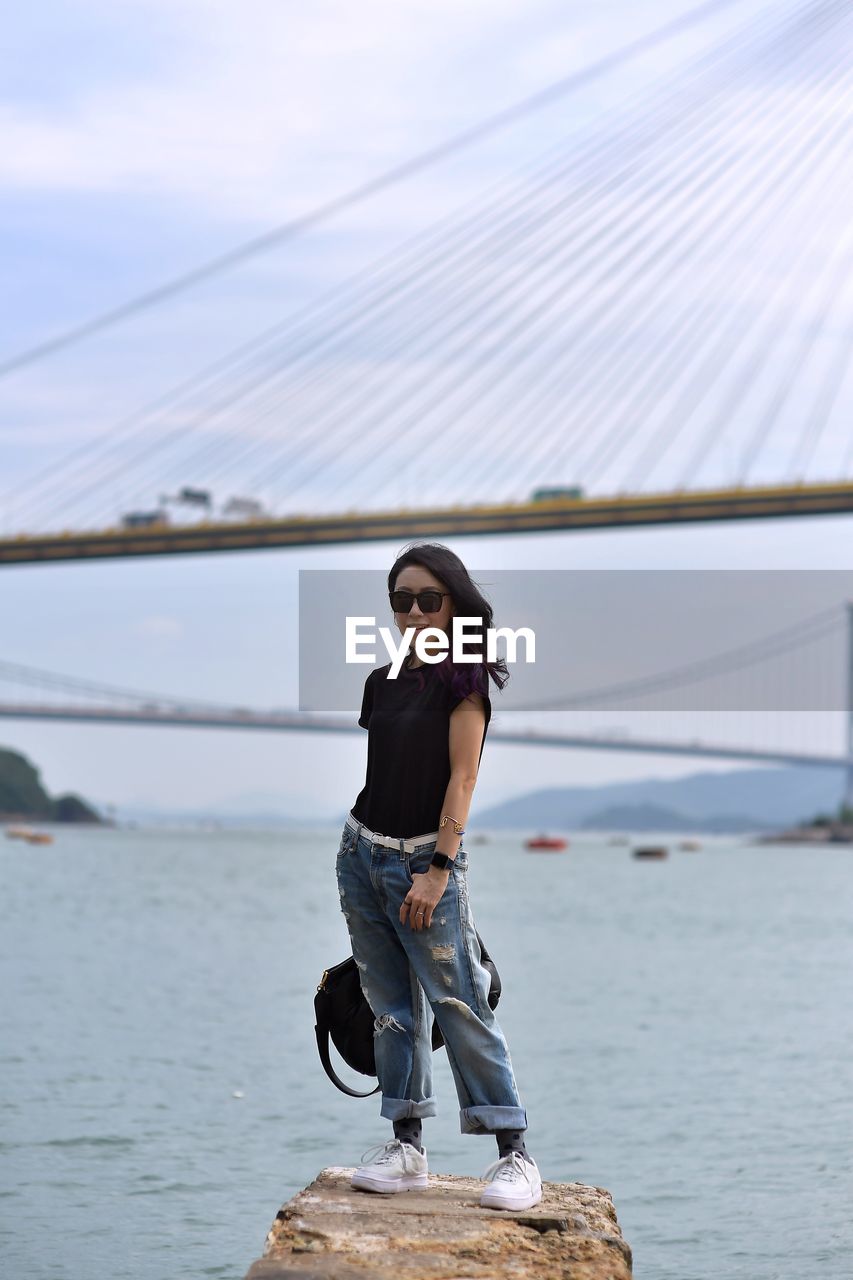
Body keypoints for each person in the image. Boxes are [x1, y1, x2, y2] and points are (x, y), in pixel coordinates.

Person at [335, 541, 541, 1211]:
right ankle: (406, 1148)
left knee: (460, 1006)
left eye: (429, 599)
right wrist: (361, 856)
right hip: (361, 854)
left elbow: (463, 777)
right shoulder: (381, 681)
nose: (415, 613)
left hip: (425, 862)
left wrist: (437, 869)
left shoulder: (464, 681)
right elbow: (386, 773)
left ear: (454, 604)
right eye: (402, 601)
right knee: (389, 1006)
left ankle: (514, 1154)